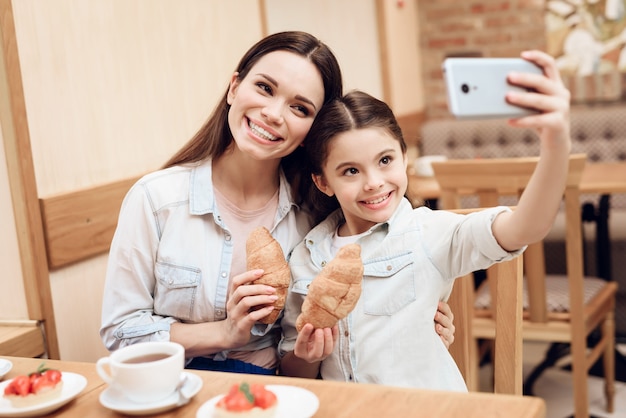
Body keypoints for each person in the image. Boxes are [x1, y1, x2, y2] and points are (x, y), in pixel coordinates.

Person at [99, 30, 455, 376]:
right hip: (175, 388)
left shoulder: (320, 217)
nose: (273, 113)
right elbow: (121, 333)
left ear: (311, 133)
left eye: (299, 108)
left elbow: (361, 305)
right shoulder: (156, 199)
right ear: (234, 87)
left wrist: (420, 322)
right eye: (264, 88)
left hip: (280, 395)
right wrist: (224, 333)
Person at [279, 50, 572, 391]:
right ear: (323, 181)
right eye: (351, 171)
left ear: (405, 158)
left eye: (385, 160)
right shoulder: (305, 257)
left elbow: (526, 227)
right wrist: (307, 355)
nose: (373, 181)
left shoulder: (428, 233)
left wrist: (555, 142)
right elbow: (294, 373)